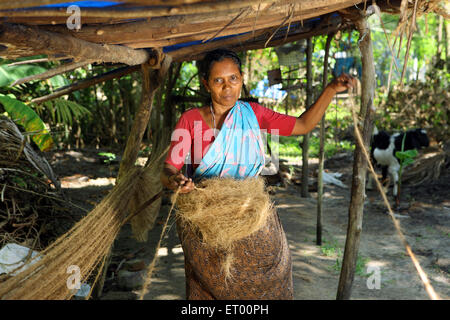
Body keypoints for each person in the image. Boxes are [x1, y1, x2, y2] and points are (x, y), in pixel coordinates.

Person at [160, 48, 356, 299]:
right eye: (218, 80)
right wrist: (176, 180)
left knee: (271, 274)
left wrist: (329, 90)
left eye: (233, 78)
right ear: (206, 84)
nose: (227, 87)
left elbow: (304, 125)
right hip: (204, 220)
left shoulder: (253, 114)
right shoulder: (190, 120)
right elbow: (168, 170)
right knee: (209, 286)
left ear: (242, 78)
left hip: (251, 213)